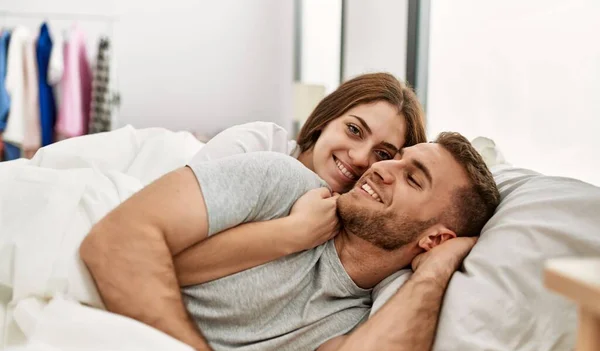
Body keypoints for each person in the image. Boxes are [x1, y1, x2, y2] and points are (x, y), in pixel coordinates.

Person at [80, 131, 500, 351]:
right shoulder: (282, 181)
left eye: (413, 178)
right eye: (397, 158)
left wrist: (435, 271)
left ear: (436, 238)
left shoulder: (363, 316)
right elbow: (114, 240)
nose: (380, 167)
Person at [173, 72, 427, 285]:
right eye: (354, 130)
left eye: (382, 153)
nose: (360, 157)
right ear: (325, 120)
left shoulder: (355, 229)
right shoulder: (259, 145)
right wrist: (295, 232)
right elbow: (167, 247)